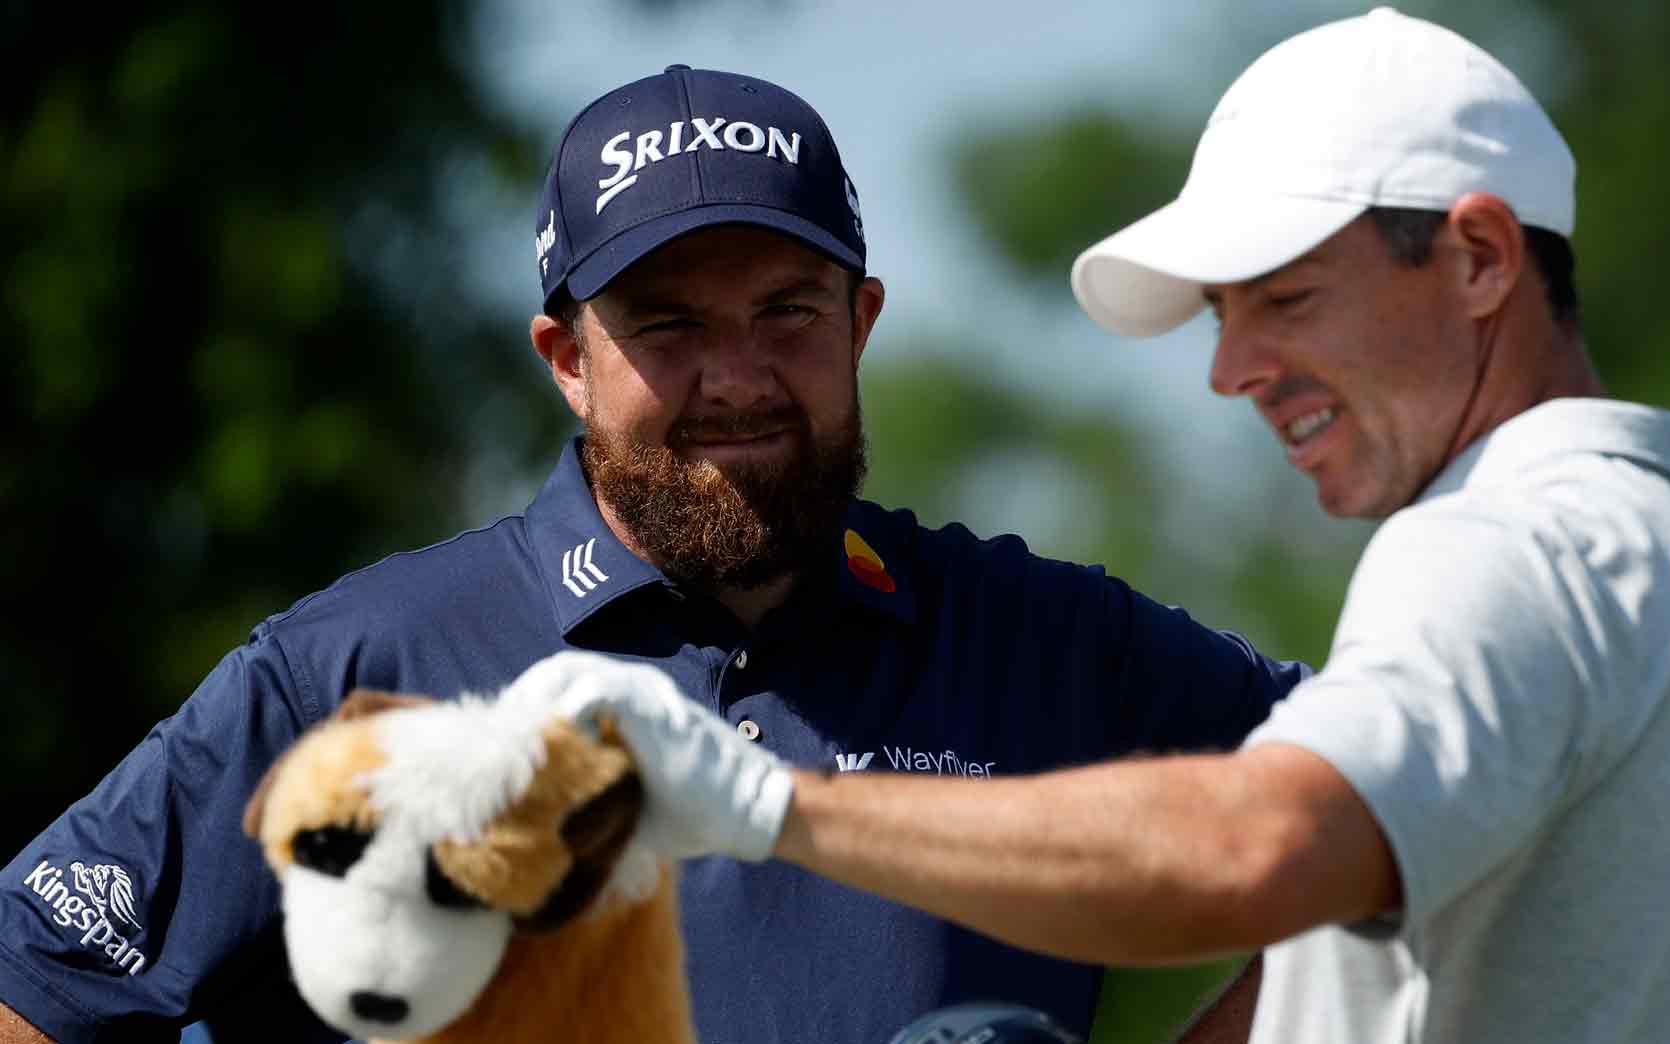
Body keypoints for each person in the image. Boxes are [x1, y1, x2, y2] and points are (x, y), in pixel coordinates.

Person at [545, 12, 1670, 1043]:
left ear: (1479, 259)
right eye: (1222, 314)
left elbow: (1261, 844)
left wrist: (765, 801)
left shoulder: (1497, 548)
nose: (1231, 370)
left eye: (1284, 297)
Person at [0, 67, 1307, 1043]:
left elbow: (1427, 815)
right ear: (566, 360)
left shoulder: (1046, 639)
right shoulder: (351, 666)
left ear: (860, 325)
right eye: (666, 326)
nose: (737, 378)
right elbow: (34, 990)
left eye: (787, 313)